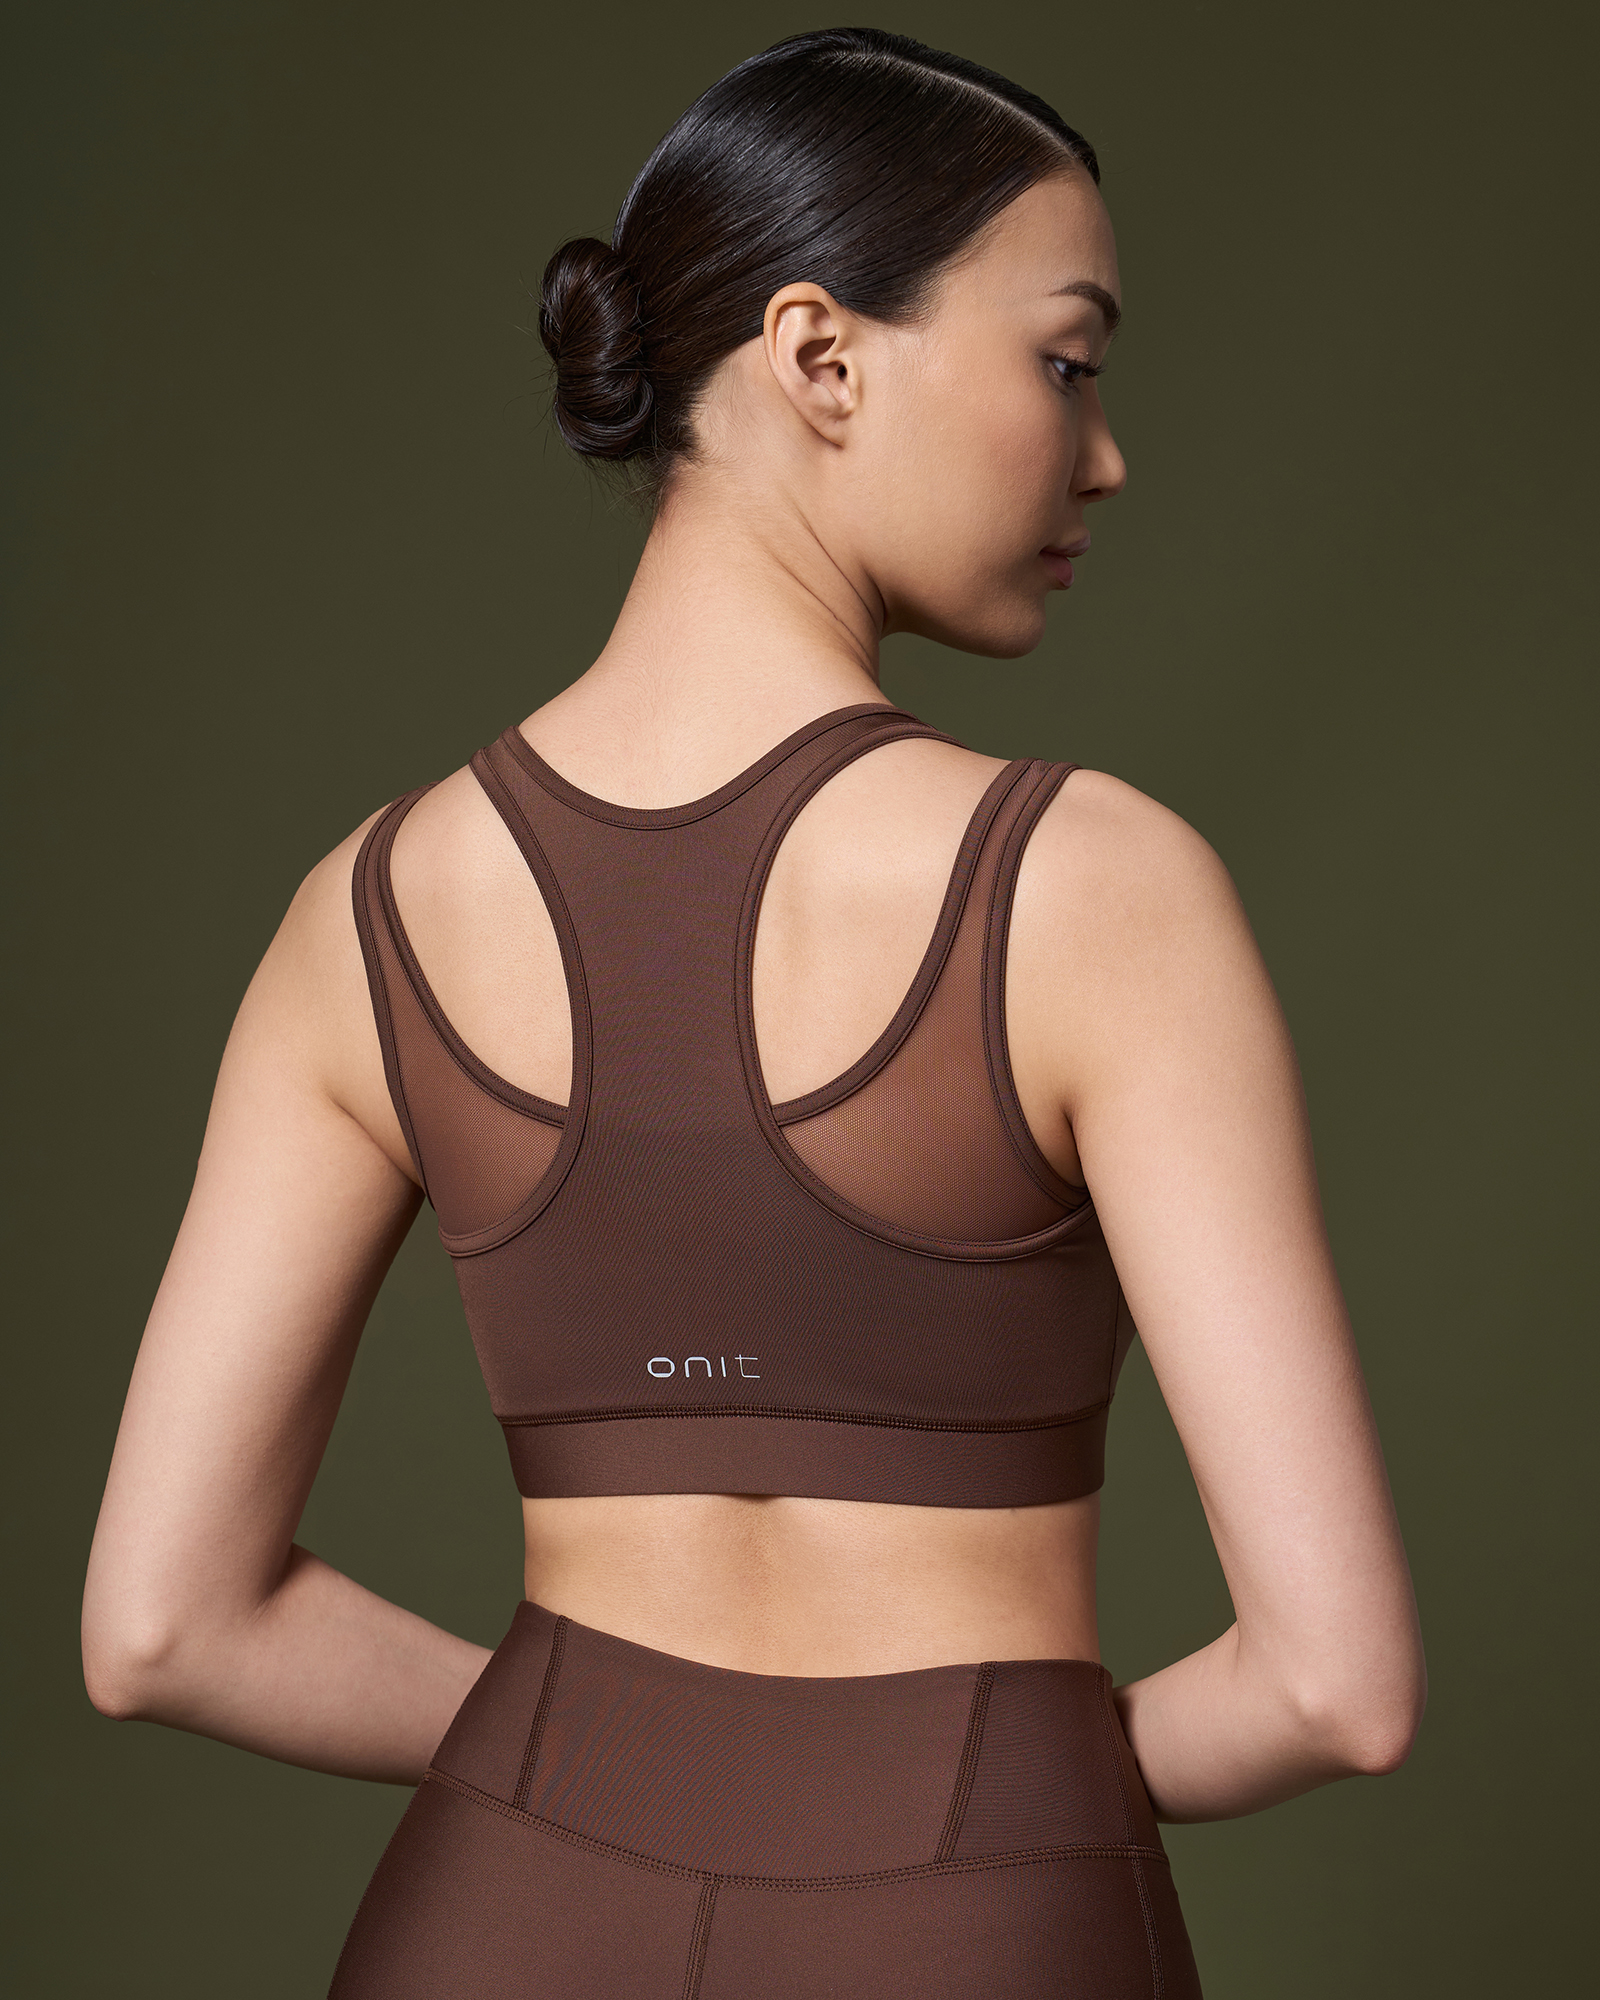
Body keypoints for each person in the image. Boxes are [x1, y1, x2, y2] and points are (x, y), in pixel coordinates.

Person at [80, 26, 1426, 1998]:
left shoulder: (365, 912)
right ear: (819, 357)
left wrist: (603, 1767)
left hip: (504, 1913)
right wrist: (963, 1792)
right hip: (974, 1913)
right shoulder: (1089, 886)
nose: (1105, 453)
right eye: (1067, 362)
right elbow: (1333, 1685)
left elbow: (162, 1626)